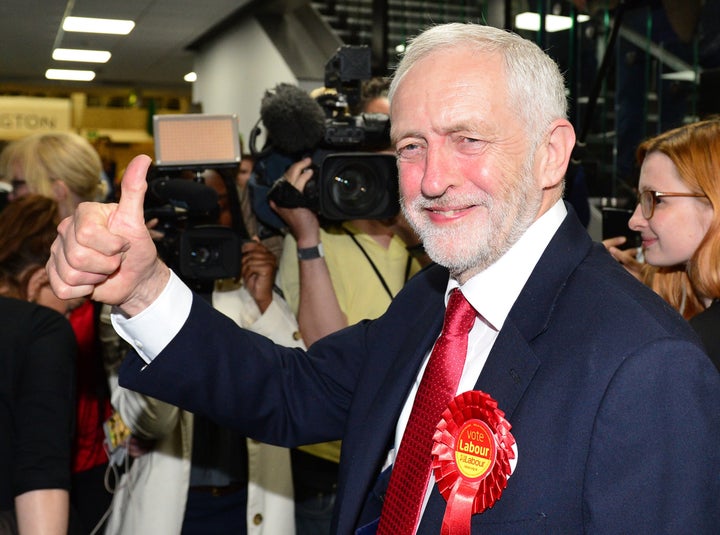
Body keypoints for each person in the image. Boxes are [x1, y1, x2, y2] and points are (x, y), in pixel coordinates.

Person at [47, 22, 720, 534]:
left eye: (467, 140)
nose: (431, 180)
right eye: (410, 146)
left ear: (552, 153)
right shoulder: (435, 300)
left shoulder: (647, 364)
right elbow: (289, 390)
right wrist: (142, 288)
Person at [103, 168, 299, 535]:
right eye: (187, 210)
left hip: (248, 509)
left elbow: (300, 395)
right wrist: (146, 297)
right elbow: (150, 422)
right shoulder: (132, 303)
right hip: (171, 513)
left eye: (217, 206)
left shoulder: (252, 290)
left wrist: (264, 303)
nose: (205, 220)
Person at [0, 133, 114, 534]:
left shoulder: (110, 274)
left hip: (83, 466)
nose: (13, 196)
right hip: (40, 465)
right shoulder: (25, 265)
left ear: (57, 189)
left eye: (20, 185)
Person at [0, 195, 78, 535]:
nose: (70, 316)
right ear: (37, 282)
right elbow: (40, 469)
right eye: (71, 306)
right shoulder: (41, 328)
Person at [615, 119, 720, 370]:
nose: (634, 221)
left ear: (713, 203)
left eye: (655, 200)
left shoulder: (706, 342)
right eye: (640, 200)